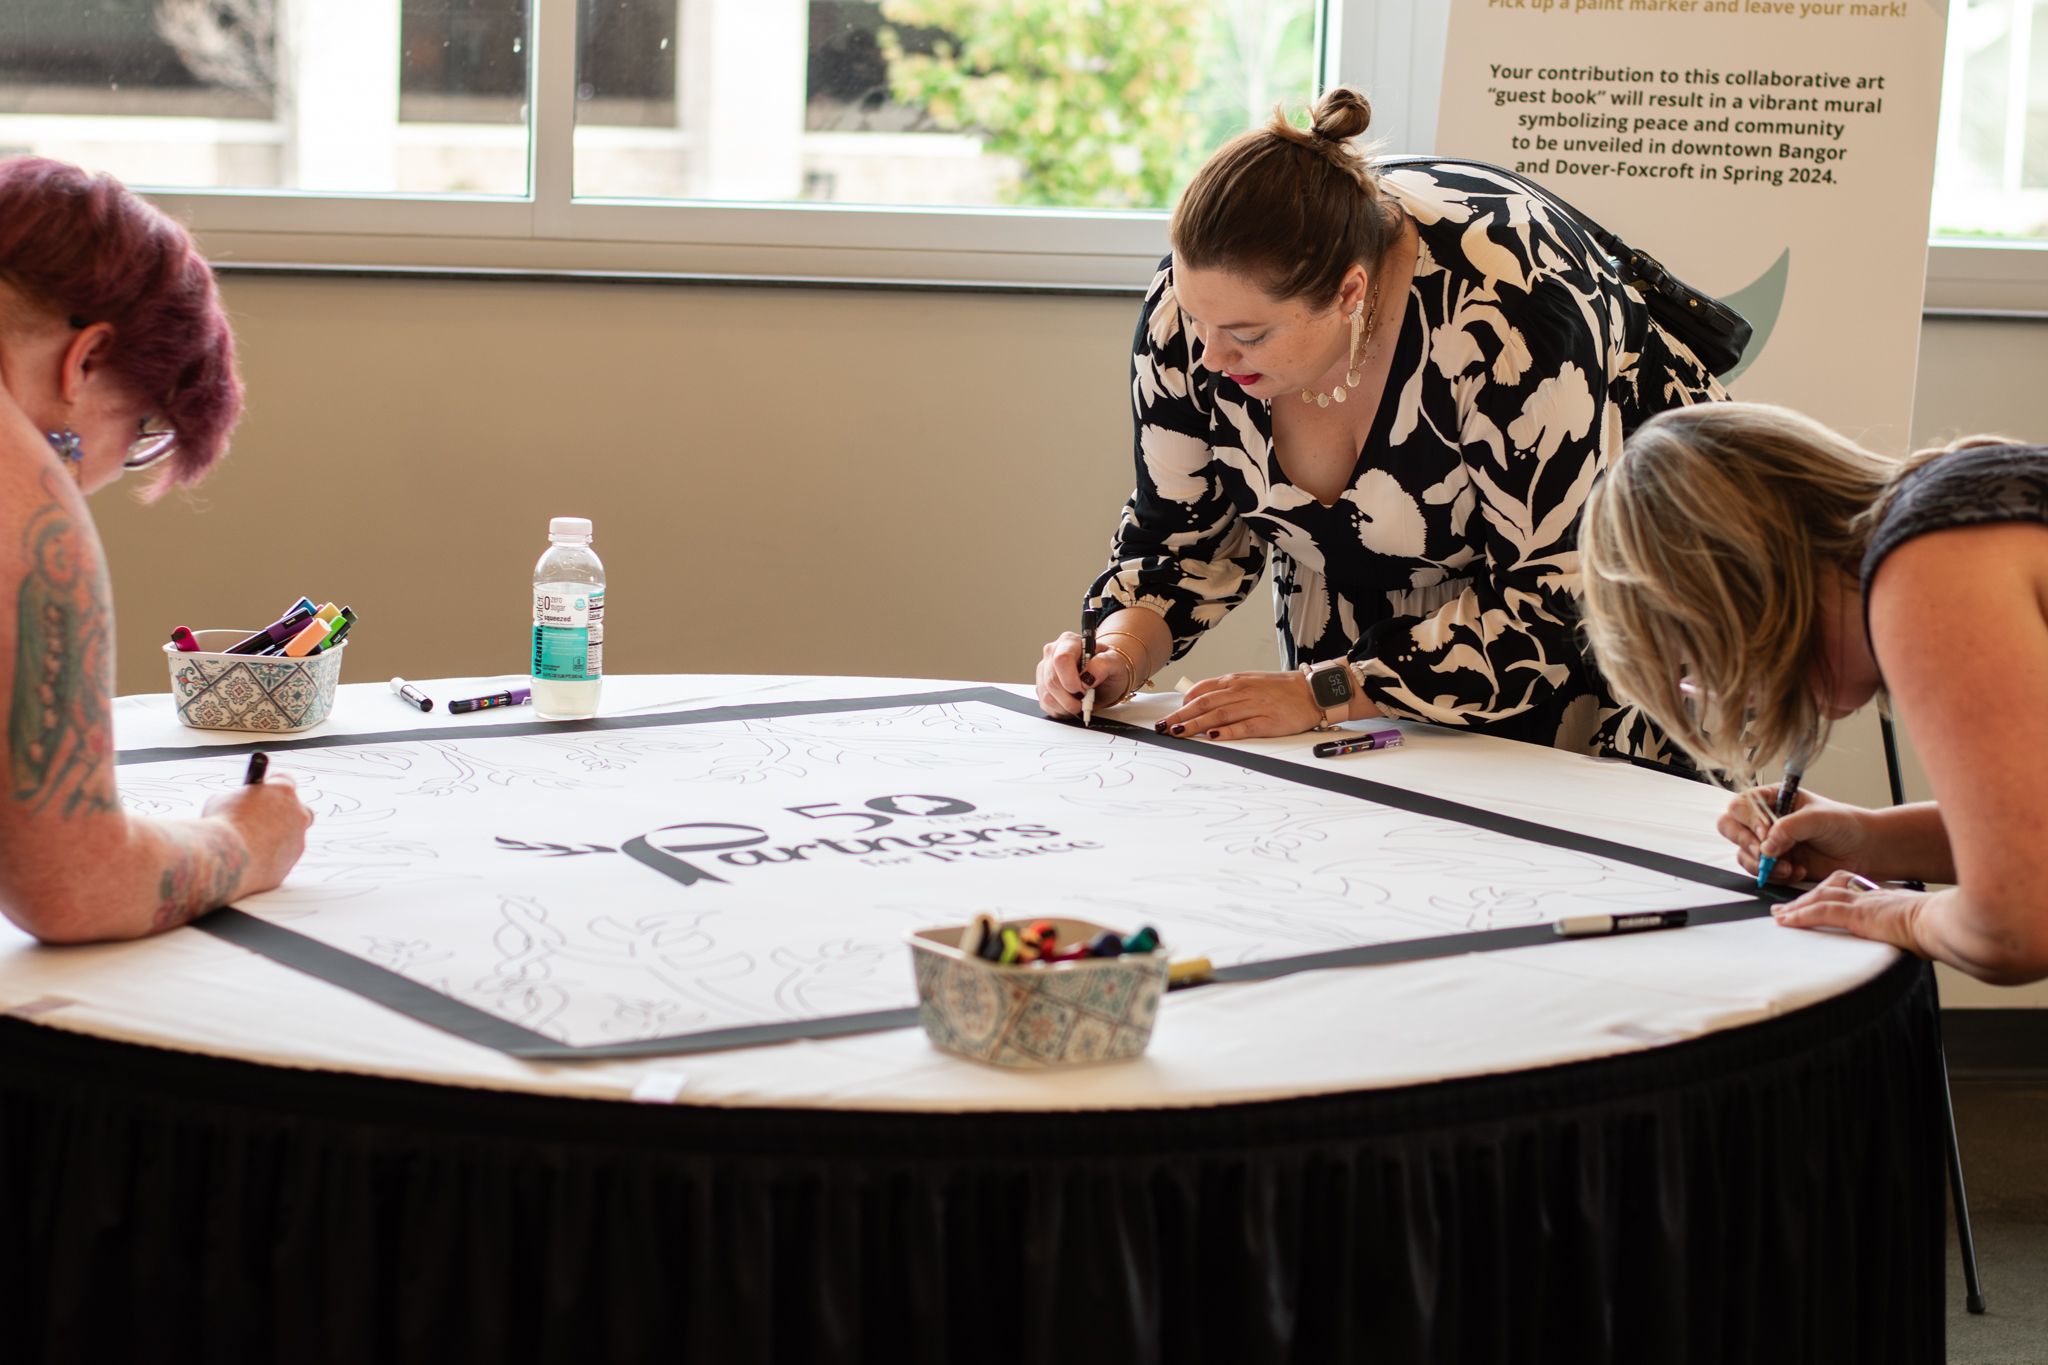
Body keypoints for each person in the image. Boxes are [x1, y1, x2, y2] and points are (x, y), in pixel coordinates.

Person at [1033, 87, 1724, 760]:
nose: (1210, 357)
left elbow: (1551, 610)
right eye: (1195, 319)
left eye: (1247, 336)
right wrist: (1116, 653)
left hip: (1613, 595)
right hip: (1363, 618)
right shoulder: (1199, 308)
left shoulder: (1510, 312)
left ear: (1350, 293)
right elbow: (1180, 542)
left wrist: (1324, 690)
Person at [1579, 400, 2048, 985]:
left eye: (1694, 661)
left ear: (1742, 598)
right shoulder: (1956, 512)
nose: (1738, 702)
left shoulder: (1925, 569)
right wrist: (1872, 841)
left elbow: (2015, 924)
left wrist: (1899, 914)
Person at [0, 157, 311, 944]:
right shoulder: (24, 498)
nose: (108, 474)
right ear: (85, 360)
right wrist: (246, 839)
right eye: (141, 428)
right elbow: (78, 885)